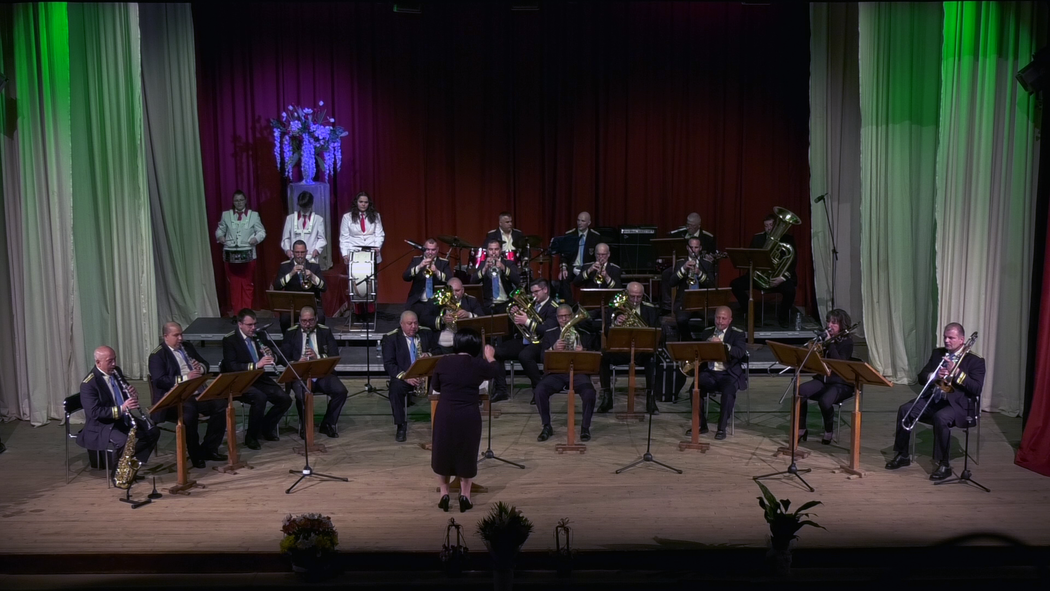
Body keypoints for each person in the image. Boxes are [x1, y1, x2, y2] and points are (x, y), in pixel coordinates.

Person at [886, 323, 984, 481]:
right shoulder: (938, 353)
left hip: (958, 404)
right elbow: (921, 377)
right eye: (945, 337)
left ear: (962, 340)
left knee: (941, 417)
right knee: (905, 410)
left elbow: (976, 388)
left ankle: (944, 464)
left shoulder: (975, 361)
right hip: (935, 398)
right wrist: (935, 375)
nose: (946, 340)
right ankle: (902, 455)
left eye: (951, 338)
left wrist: (957, 373)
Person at [431, 328, 500, 513]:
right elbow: (494, 371)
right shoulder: (477, 364)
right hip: (468, 415)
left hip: (445, 414)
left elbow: (436, 386)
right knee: (466, 453)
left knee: (443, 452)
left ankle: (444, 495)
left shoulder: (443, 361)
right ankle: (465, 496)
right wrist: (490, 356)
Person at [148, 322, 228, 469]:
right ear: (165, 336)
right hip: (175, 398)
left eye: (181, 334)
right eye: (176, 335)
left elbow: (205, 364)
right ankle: (195, 454)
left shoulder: (188, 347)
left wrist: (200, 368)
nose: (180, 338)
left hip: (196, 393)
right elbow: (160, 381)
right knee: (189, 414)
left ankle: (209, 448)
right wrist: (186, 377)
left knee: (221, 405)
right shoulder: (157, 355)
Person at [77, 346, 160, 483]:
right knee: (123, 441)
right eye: (110, 361)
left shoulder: (116, 371)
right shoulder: (89, 384)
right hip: (103, 425)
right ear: (98, 362)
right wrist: (122, 408)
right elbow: (94, 412)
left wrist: (132, 395)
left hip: (122, 418)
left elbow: (122, 394)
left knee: (152, 431)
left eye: (114, 359)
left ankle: (130, 468)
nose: (114, 364)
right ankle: (118, 476)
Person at [220, 309, 293, 450]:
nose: (253, 328)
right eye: (249, 325)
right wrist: (256, 365)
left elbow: (275, 357)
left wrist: (271, 355)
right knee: (260, 398)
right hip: (240, 380)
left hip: (259, 378)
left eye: (255, 324)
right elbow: (232, 366)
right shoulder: (230, 340)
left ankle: (265, 427)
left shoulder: (259, 335)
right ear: (240, 324)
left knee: (285, 399)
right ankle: (251, 437)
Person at [280, 306, 348, 439]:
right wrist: (297, 362)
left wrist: (318, 357)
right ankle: (305, 425)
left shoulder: (325, 331)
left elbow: (334, 355)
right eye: (304, 321)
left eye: (310, 320)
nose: (307, 324)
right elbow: (283, 358)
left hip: (322, 373)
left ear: (316, 319)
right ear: (300, 320)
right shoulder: (291, 333)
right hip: (300, 375)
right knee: (301, 395)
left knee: (341, 392)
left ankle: (328, 423)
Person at [534, 305, 598, 443]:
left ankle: (585, 428)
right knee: (540, 390)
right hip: (556, 373)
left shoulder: (583, 333)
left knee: (589, 393)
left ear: (572, 316)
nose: (564, 319)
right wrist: (553, 348)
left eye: (567, 316)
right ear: (557, 318)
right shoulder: (550, 334)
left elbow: (595, 356)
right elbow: (542, 358)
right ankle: (546, 426)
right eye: (561, 317)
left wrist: (584, 351)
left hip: (578, 373)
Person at [597, 282, 662, 414]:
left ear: (643, 296)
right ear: (626, 295)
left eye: (639, 297)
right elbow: (606, 331)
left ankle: (650, 399)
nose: (635, 300)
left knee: (653, 359)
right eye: (632, 296)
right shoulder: (615, 308)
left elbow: (659, 332)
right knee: (602, 357)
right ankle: (607, 397)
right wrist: (615, 323)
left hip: (642, 351)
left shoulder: (650, 310)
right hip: (621, 350)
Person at [491, 279, 558, 403]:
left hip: (542, 343)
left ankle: (539, 390)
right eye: (532, 292)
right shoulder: (531, 304)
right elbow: (519, 326)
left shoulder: (553, 307)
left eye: (536, 292)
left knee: (525, 356)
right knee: (495, 352)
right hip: (525, 340)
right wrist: (516, 314)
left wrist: (526, 321)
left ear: (545, 290)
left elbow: (547, 330)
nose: (533, 295)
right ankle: (501, 390)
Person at [686, 306, 747, 441]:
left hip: (728, 374)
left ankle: (721, 428)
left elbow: (739, 353)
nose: (720, 321)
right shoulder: (707, 332)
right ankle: (701, 425)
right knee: (694, 389)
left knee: (728, 392)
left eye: (723, 318)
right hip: (710, 373)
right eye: (718, 318)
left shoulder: (738, 334)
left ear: (730, 320)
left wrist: (722, 345)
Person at [730, 212, 798, 328]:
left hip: (778, 278)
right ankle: (752, 315)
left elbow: (793, 260)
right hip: (760, 277)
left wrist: (782, 278)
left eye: (771, 225)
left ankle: (783, 318)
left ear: (776, 226)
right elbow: (751, 257)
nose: (768, 228)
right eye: (766, 226)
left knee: (790, 291)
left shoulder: (788, 239)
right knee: (735, 285)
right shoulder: (758, 238)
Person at [798, 309, 854, 445]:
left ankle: (829, 431)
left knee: (825, 401)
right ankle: (801, 428)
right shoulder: (824, 339)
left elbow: (839, 363)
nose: (829, 325)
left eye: (834, 323)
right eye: (828, 322)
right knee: (800, 391)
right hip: (823, 378)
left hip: (840, 382)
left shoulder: (847, 342)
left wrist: (831, 344)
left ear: (842, 325)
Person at [381, 310, 437, 442]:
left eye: (415, 323)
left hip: (426, 374)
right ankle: (401, 425)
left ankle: (441, 422)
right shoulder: (390, 338)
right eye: (409, 323)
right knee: (395, 389)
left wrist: (429, 355)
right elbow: (389, 364)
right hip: (405, 375)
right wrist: (406, 376)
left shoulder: (426, 332)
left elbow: (438, 350)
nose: (413, 327)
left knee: (444, 382)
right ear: (401, 324)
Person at [215, 190, 266, 314]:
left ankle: (246, 313)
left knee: (247, 285)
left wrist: (256, 239)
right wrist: (220, 237)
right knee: (235, 286)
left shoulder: (254, 215)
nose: (239, 203)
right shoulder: (226, 215)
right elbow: (220, 230)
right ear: (233, 202)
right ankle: (238, 314)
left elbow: (262, 232)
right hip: (231, 255)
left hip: (248, 255)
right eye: (236, 200)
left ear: (245, 201)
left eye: (241, 200)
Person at [339, 191, 385, 316]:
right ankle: (358, 311)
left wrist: (377, 247)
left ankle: (370, 311)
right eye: (361, 202)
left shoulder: (375, 216)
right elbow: (344, 237)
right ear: (356, 203)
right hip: (354, 254)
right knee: (356, 283)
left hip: (372, 253)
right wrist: (345, 254)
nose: (363, 204)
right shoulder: (347, 217)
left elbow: (379, 234)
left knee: (371, 283)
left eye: (365, 202)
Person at [662, 212, 717, 312]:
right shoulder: (679, 234)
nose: (688, 227)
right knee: (667, 274)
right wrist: (683, 267)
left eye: (691, 225)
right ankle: (667, 305)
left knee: (709, 275)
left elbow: (712, 255)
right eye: (687, 224)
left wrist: (701, 267)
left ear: (698, 226)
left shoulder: (708, 238)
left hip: (700, 265)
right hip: (681, 265)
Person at [272, 240, 328, 331]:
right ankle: (288, 339)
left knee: (320, 317)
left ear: (306, 252)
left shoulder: (314, 266)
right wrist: (291, 274)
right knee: (284, 319)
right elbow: (277, 286)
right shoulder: (285, 267)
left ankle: (317, 338)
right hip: (292, 306)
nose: (300, 255)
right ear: (292, 252)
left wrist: (313, 276)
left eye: (302, 252)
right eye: (297, 252)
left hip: (311, 305)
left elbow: (324, 288)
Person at [422, 277, 485, 354]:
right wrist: (442, 320)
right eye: (451, 291)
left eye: (457, 290)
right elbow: (423, 319)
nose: (454, 294)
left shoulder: (471, 301)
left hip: (465, 341)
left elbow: (483, 320)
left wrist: (469, 315)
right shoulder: (435, 300)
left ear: (462, 290)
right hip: (443, 343)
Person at [671, 237, 716, 340]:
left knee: (712, 319)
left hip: (703, 303)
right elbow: (672, 282)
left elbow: (711, 284)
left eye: (696, 247)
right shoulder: (680, 263)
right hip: (684, 303)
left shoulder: (707, 264)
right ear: (687, 248)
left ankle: (705, 342)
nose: (693, 250)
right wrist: (683, 269)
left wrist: (699, 273)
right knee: (681, 320)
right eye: (691, 247)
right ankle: (689, 342)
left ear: (700, 248)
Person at [556, 212, 602, 304]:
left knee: (594, 278)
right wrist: (563, 268)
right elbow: (563, 255)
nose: (579, 223)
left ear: (589, 223)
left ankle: (590, 305)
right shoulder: (569, 235)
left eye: (583, 221)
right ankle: (569, 305)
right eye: (578, 220)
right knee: (563, 278)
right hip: (572, 266)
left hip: (588, 267)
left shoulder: (595, 237)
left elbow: (598, 256)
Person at [404, 238, 452, 319]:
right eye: (427, 249)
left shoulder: (443, 263)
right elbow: (405, 277)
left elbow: (450, 280)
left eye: (433, 250)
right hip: (417, 301)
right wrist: (419, 267)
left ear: (437, 250)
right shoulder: (416, 260)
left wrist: (437, 272)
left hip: (436, 302)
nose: (430, 252)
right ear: (423, 248)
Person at [474, 239, 520, 314]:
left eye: (496, 249)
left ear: (500, 250)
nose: (493, 252)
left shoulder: (508, 263)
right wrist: (484, 269)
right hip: (489, 304)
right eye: (491, 249)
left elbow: (517, 280)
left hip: (506, 302)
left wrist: (503, 267)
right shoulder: (483, 264)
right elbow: (472, 281)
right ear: (487, 251)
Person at [280, 190, 327, 264]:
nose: (304, 209)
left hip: (311, 256)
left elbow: (322, 238)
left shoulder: (318, 219)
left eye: (306, 206)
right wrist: (287, 249)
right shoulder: (290, 218)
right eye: (302, 206)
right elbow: (286, 237)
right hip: (295, 256)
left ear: (311, 205)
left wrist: (317, 249)